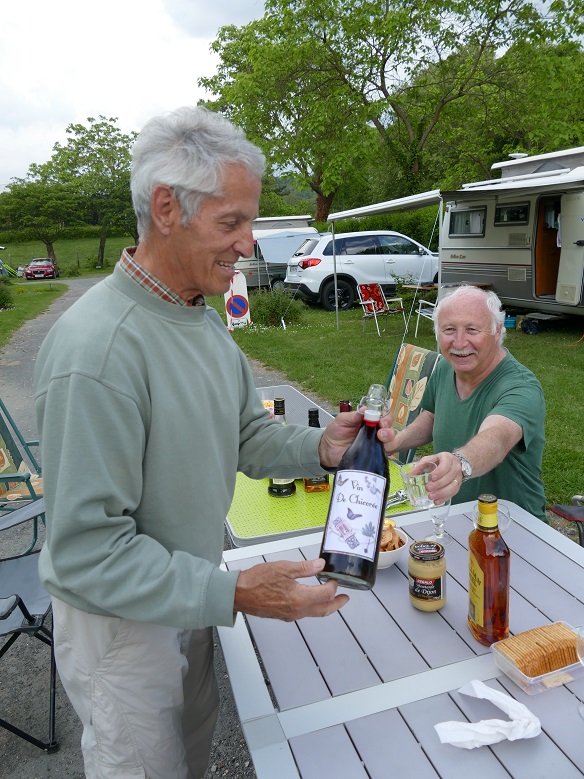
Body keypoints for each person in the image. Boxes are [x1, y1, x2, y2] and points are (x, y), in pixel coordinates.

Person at [34, 106, 393, 779]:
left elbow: (243, 433)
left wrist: (324, 449)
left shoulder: (197, 316)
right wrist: (233, 592)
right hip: (121, 627)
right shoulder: (98, 350)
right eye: (231, 223)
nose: (249, 244)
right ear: (166, 209)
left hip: (188, 590)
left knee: (190, 761)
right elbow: (87, 551)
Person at [380, 285, 547, 521]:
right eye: (449, 329)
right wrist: (394, 443)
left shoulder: (521, 387)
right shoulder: (447, 367)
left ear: (497, 331)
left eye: (472, 329)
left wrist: (459, 464)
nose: (459, 343)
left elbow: (497, 438)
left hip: (511, 525)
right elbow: (433, 416)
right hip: (455, 517)